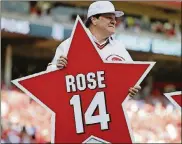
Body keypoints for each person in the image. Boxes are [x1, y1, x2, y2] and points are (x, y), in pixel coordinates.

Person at [47, 1, 141, 97]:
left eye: (114, 18)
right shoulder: (70, 44)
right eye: (109, 17)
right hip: (77, 107)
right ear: (94, 19)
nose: (114, 21)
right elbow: (48, 79)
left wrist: (133, 87)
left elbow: (132, 78)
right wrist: (57, 69)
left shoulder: (119, 47)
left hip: (108, 108)